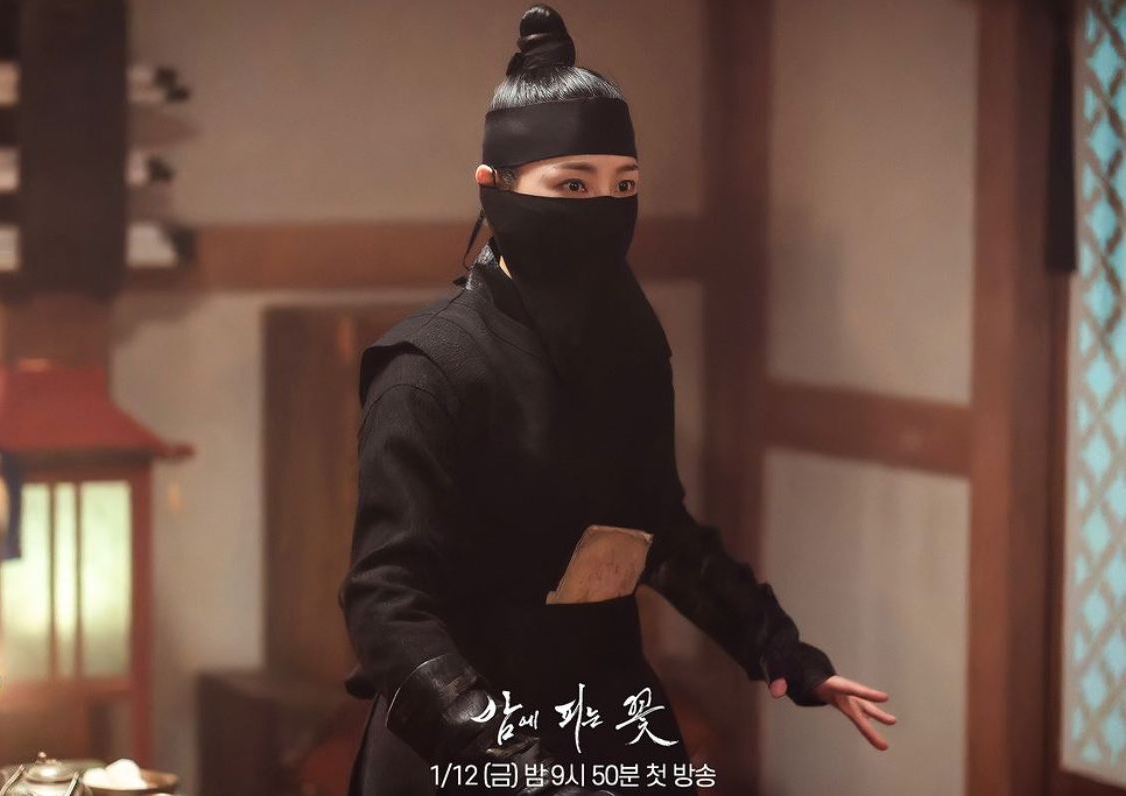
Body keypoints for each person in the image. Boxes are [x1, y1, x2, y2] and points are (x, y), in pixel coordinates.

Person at [337, 5, 895, 795]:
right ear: (493, 189)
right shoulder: (427, 368)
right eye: (572, 184)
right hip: (463, 733)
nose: (602, 207)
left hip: (604, 710)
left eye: (623, 186)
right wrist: (512, 763)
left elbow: (655, 532)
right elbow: (385, 602)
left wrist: (776, 647)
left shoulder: (629, 342)